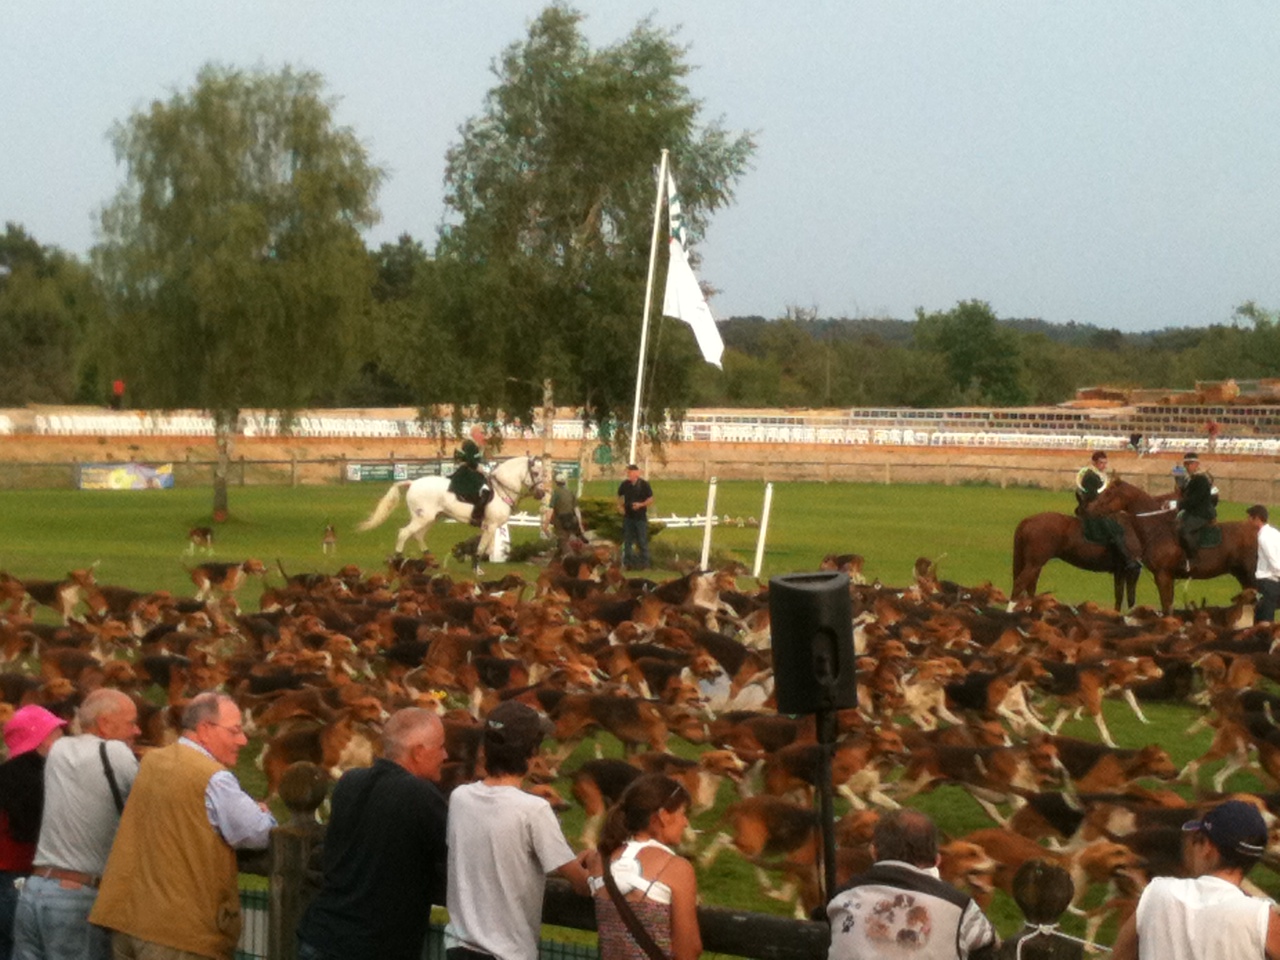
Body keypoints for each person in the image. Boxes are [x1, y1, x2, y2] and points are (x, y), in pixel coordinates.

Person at [90, 692, 275, 960]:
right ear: (205, 729)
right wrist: (265, 813)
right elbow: (258, 832)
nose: (243, 740)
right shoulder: (214, 777)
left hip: (127, 921)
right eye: (234, 731)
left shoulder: (153, 761)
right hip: (178, 935)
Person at [297, 708, 448, 960]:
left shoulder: (349, 782)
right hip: (372, 948)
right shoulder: (419, 796)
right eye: (441, 747)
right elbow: (456, 855)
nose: (446, 755)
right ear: (418, 752)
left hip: (320, 937)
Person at [445, 700, 590, 960]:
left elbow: (502, 845)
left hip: (459, 949)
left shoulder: (460, 798)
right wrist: (595, 863)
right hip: (508, 954)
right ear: (532, 754)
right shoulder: (534, 810)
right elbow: (582, 885)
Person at [12, 690, 139, 960]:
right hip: (77, 896)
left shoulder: (59, 750)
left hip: (34, 890)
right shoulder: (115, 752)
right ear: (104, 723)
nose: (137, 730)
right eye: (131, 722)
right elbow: (149, 802)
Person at [1111, 799, 1280, 960]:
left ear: (1207, 847)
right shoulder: (1263, 918)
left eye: (1196, 841)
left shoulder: (1156, 894)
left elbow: (1119, 957)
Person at [826, 809, 998, 960]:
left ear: (873, 852)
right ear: (937, 859)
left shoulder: (841, 897)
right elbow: (993, 948)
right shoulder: (960, 906)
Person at [586, 774, 701, 960]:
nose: (685, 822)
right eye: (682, 813)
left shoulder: (601, 859)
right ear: (663, 816)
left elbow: (579, 877)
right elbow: (687, 951)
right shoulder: (677, 868)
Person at [0, 708, 66, 960]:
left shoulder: (6, 773)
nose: (63, 738)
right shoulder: (35, 778)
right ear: (41, 739)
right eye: (57, 733)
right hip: (19, 877)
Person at [1074, 450, 1141, 575]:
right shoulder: (1090, 476)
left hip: (1098, 508)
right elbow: (1093, 496)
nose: (1104, 466)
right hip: (1091, 510)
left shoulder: (1099, 475)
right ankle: (1127, 560)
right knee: (1115, 529)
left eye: (1105, 463)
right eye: (1101, 463)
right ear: (1094, 462)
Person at [1176, 451, 1216, 564]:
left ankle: (1194, 559)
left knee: (1184, 530)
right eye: (1186, 464)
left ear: (1197, 464)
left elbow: (1194, 500)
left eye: (1191, 464)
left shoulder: (1201, 479)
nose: (1188, 467)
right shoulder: (1191, 479)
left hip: (1202, 513)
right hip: (1193, 512)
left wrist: (1178, 505)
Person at [451, 425, 492, 526]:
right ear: (475, 433)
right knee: (485, 490)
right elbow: (470, 460)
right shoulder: (469, 444)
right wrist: (478, 466)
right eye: (481, 433)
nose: (483, 436)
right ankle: (476, 516)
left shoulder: (475, 444)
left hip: (471, 471)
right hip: (467, 472)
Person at [616, 464, 654, 571]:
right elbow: (619, 496)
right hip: (628, 517)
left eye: (630, 473)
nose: (629, 475)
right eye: (628, 473)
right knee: (628, 541)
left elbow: (650, 499)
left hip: (640, 517)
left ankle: (645, 564)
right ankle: (627, 563)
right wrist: (620, 506)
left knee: (642, 540)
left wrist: (641, 505)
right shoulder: (625, 484)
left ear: (636, 473)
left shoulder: (644, 485)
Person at [1248, 504, 1280, 624]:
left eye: (1250, 518)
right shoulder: (1275, 533)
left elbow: (1273, 560)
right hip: (1271, 583)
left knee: (1263, 617)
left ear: (1257, 518)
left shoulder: (1263, 537)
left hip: (1266, 583)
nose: (1248, 522)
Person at [548, 472, 583, 557]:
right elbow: (576, 510)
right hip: (571, 519)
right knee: (568, 538)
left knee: (562, 540)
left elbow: (550, 509)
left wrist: (546, 523)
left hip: (560, 520)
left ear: (556, 482)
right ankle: (559, 558)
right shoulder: (571, 492)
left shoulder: (556, 493)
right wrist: (580, 524)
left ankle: (569, 557)